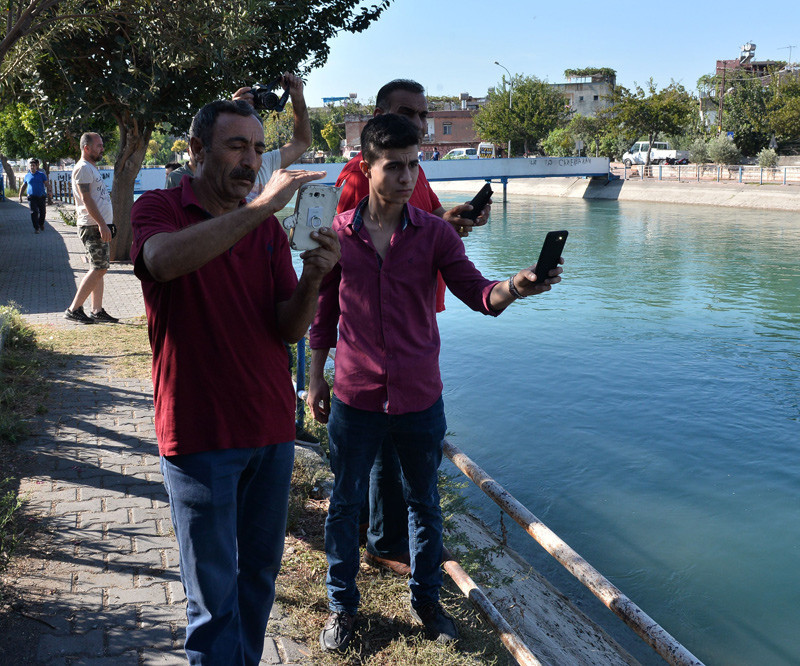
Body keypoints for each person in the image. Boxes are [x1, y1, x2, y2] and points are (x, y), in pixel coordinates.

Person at [308, 114, 563, 652]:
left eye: (413, 165)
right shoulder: (339, 235)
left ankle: (426, 599)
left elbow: (479, 294)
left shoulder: (436, 235)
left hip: (419, 397)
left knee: (423, 504)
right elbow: (324, 312)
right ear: (367, 167)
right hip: (355, 397)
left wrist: (518, 285)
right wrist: (315, 378)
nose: (406, 177)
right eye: (394, 166)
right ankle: (341, 606)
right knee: (345, 503)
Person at [130, 99, 340, 665]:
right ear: (196, 151)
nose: (251, 161)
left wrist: (315, 279)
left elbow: (287, 327)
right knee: (213, 601)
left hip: (271, 430)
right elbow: (162, 261)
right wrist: (263, 207)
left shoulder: (268, 233)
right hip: (200, 435)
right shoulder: (160, 209)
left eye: (255, 148)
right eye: (236, 146)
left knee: (256, 586)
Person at [335, 79, 492, 576]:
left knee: (399, 462)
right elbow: (343, 264)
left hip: (412, 335)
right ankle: (382, 542)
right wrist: (318, 369)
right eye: (407, 114)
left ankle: (387, 540)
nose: (418, 125)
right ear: (378, 119)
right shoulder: (358, 181)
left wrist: (448, 223)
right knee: (378, 455)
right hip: (371, 352)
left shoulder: (408, 168)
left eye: (423, 116)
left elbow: (419, 222)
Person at [64, 133, 118, 324]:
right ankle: (74, 309)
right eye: (98, 145)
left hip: (98, 225)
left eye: (102, 145)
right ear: (86, 148)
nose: (102, 148)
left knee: (99, 267)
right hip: (92, 226)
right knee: (99, 267)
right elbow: (86, 200)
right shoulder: (83, 169)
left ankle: (97, 310)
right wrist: (102, 224)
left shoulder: (90, 168)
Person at [232, 72, 311, 201]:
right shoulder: (212, 172)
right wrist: (231, 112)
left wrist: (297, 98)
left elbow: (302, 141)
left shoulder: (265, 164)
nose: (251, 161)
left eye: (258, 150)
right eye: (238, 147)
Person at [18, 158, 52, 233]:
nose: (32, 167)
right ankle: (36, 228)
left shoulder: (41, 174)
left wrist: (50, 191)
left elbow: (47, 184)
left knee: (43, 212)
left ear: (36, 166)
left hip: (41, 196)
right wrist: (20, 196)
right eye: (31, 166)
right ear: (29, 167)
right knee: (34, 212)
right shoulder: (27, 176)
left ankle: (41, 223)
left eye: (33, 165)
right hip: (31, 197)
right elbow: (23, 186)